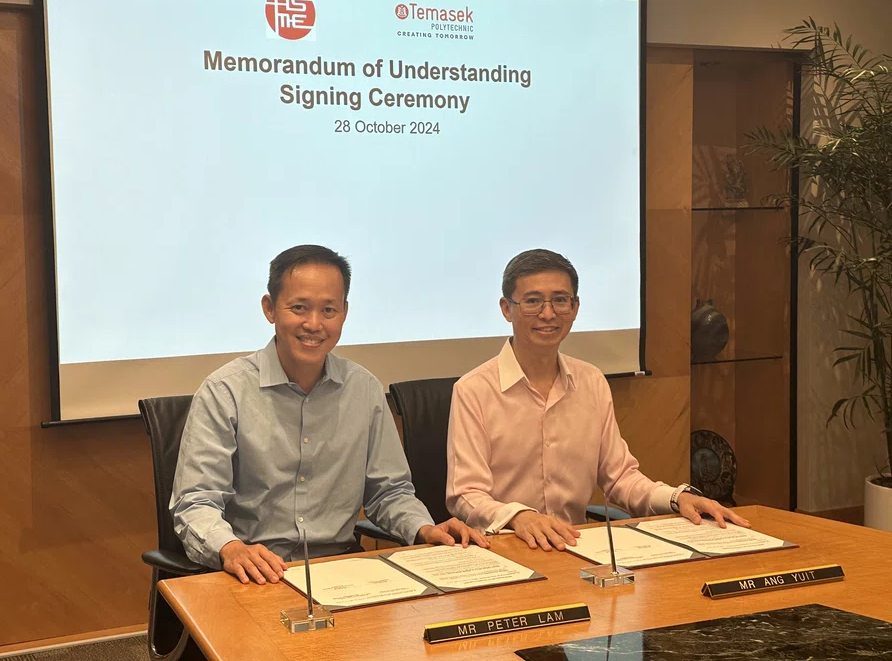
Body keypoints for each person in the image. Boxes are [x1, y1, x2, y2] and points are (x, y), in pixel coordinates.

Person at [171, 244, 487, 585]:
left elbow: (389, 492)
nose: (314, 324)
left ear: (344, 313)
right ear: (269, 308)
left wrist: (423, 529)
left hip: (342, 573)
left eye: (329, 310)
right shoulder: (225, 391)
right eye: (299, 308)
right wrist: (230, 548)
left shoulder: (363, 389)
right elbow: (196, 502)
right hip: (254, 574)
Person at [446, 249, 748, 553]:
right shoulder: (474, 390)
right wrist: (519, 516)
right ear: (507, 309)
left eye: (560, 300)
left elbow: (620, 479)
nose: (548, 314)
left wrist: (677, 498)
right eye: (533, 301)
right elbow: (465, 494)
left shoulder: (591, 382)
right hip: (501, 550)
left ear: (575, 307)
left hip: (575, 549)